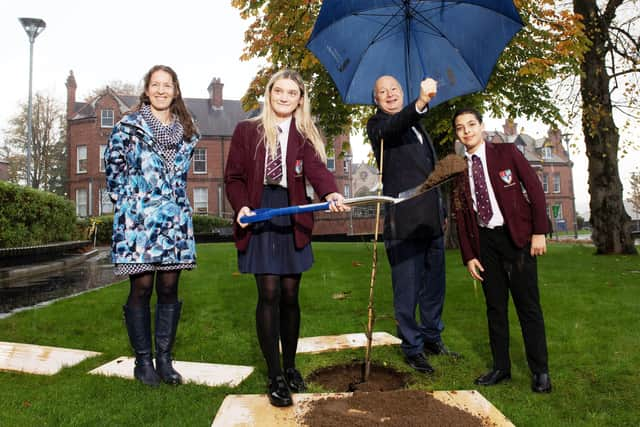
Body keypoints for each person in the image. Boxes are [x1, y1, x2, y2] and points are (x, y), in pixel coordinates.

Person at [224, 69, 348, 407]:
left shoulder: (304, 135)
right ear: (269, 93)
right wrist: (242, 205)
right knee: (269, 291)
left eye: (291, 92)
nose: (283, 97)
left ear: (300, 99)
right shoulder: (246, 130)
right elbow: (233, 177)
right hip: (260, 211)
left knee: (290, 293)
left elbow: (317, 171)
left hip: (292, 213)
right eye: (279, 90)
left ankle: (292, 366)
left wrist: (332, 193)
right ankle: (275, 374)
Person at [104, 65, 199, 387]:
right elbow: (113, 167)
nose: (161, 90)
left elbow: (182, 176)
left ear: (175, 90)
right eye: (155, 85)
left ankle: (165, 360)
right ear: (146, 89)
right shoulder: (127, 127)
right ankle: (143, 361)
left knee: (169, 287)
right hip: (138, 223)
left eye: (167, 85)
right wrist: (127, 203)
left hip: (173, 222)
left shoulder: (188, 130)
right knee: (141, 287)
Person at [451, 108, 552, 393]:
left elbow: (534, 189)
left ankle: (540, 371)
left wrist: (539, 232)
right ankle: (500, 367)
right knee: (495, 307)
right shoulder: (459, 170)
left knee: (528, 306)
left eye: (471, 124)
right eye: (460, 128)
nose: (467, 131)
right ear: (458, 134)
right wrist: (469, 255)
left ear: (481, 127)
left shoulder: (506, 153)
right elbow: (461, 215)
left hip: (516, 238)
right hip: (486, 244)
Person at [366, 75, 457, 375]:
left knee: (434, 285)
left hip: (431, 217)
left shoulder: (418, 125)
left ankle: (432, 337)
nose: (390, 94)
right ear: (376, 99)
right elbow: (395, 127)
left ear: (401, 93)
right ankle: (413, 347)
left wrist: (441, 207)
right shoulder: (377, 126)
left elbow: (430, 171)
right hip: (402, 221)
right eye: (383, 92)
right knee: (407, 288)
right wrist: (420, 103)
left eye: (394, 89)